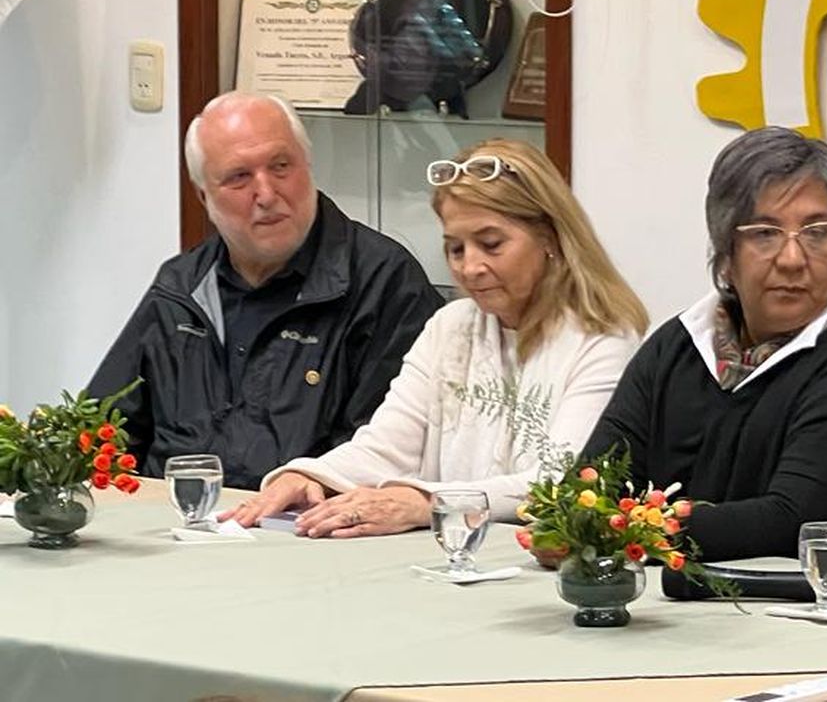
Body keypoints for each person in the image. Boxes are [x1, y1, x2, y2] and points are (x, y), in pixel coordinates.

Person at [581, 126, 827, 580]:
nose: (793, 258)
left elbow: (790, 525)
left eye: (817, 233)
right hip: (732, 619)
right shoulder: (679, 344)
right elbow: (591, 487)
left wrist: (623, 528)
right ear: (726, 255)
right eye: (765, 233)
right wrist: (591, 522)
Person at [224, 137, 648, 538]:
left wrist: (428, 502)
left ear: (550, 239)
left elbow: (561, 480)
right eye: (456, 249)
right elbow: (389, 443)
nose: (470, 267)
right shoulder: (450, 326)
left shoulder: (603, 340)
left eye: (491, 244)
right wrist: (307, 474)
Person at [87, 92, 443, 490]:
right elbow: (101, 432)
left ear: (307, 166)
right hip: (172, 523)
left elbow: (383, 457)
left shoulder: (384, 283)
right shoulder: (182, 286)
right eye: (239, 177)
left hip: (304, 528)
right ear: (204, 195)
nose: (268, 194)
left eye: (281, 166)